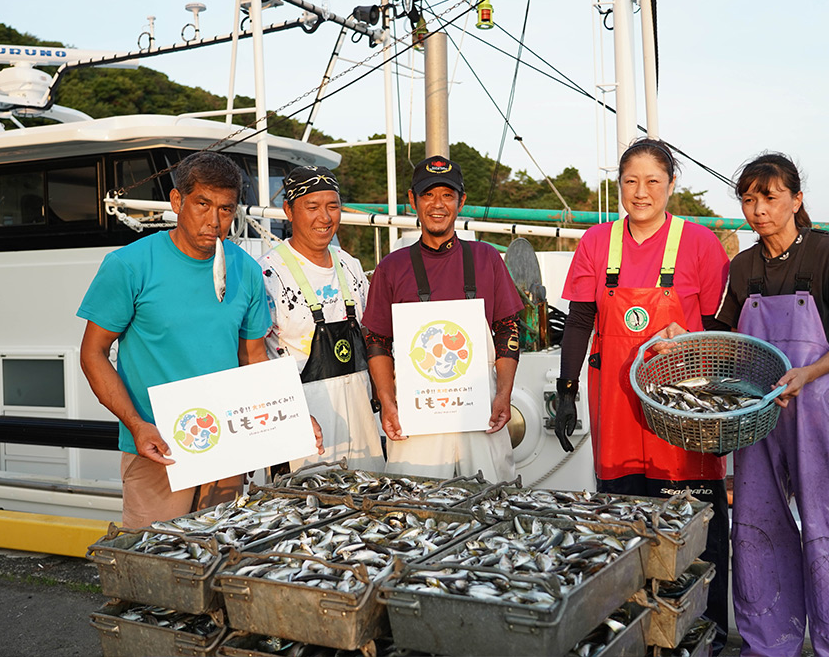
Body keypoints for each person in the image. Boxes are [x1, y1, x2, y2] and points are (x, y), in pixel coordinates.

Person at [78, 151, 321, 529]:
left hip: (227, 446)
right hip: (158, 449)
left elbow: (253, 358)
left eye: (226, 209)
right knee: (155, 568)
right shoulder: (129, 265)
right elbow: (92, 353)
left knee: (222, 560)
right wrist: (136, 424)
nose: (214, 220)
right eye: (203, 204)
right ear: (177, 202)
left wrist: (292, 418)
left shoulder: (246, 269)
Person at [554, 138, 731, 653]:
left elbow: (723, 325)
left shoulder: (699, 242)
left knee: (697, 537)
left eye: (653, 181)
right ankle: (636, 639)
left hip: (683, 421)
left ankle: (706, 636)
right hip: (618, 417)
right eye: (631, 181)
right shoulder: (597, 242)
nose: (641, 192)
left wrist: (720, 410)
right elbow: (581, 319)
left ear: (672, 185)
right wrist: (566, 391)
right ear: (619, 186)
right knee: (627, 537)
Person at [716, 153, 829, 656]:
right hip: (763, 416)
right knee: (756, 526)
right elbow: (724, 342)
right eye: (749, 198)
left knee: (828, 529)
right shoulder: (742, 267)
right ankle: (769, 644)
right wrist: (683, 338)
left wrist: (808, 373)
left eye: (770, 196)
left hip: (823, 412)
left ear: (796, 198)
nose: (759, 209)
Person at [362, 155, 523, 483]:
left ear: (461, 201)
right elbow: (376, 340)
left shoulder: (487, 258)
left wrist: (503, 395)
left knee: (495, 503)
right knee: (414, 509)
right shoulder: (391, 267)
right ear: (412, 200)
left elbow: (508, 328)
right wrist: (387, 402)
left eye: (447, 195)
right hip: (416, 414)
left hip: (481, 411)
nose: (438, 205)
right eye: (428, 195)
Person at [258, 165, 384, 473]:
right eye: (312, 207)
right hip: (303, 425)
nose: (325, 218)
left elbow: (373, 336)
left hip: (362, 419)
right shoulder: (267, 274)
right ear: (288, 209)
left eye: (333, 206)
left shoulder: (350, 265)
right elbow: (254, 357)